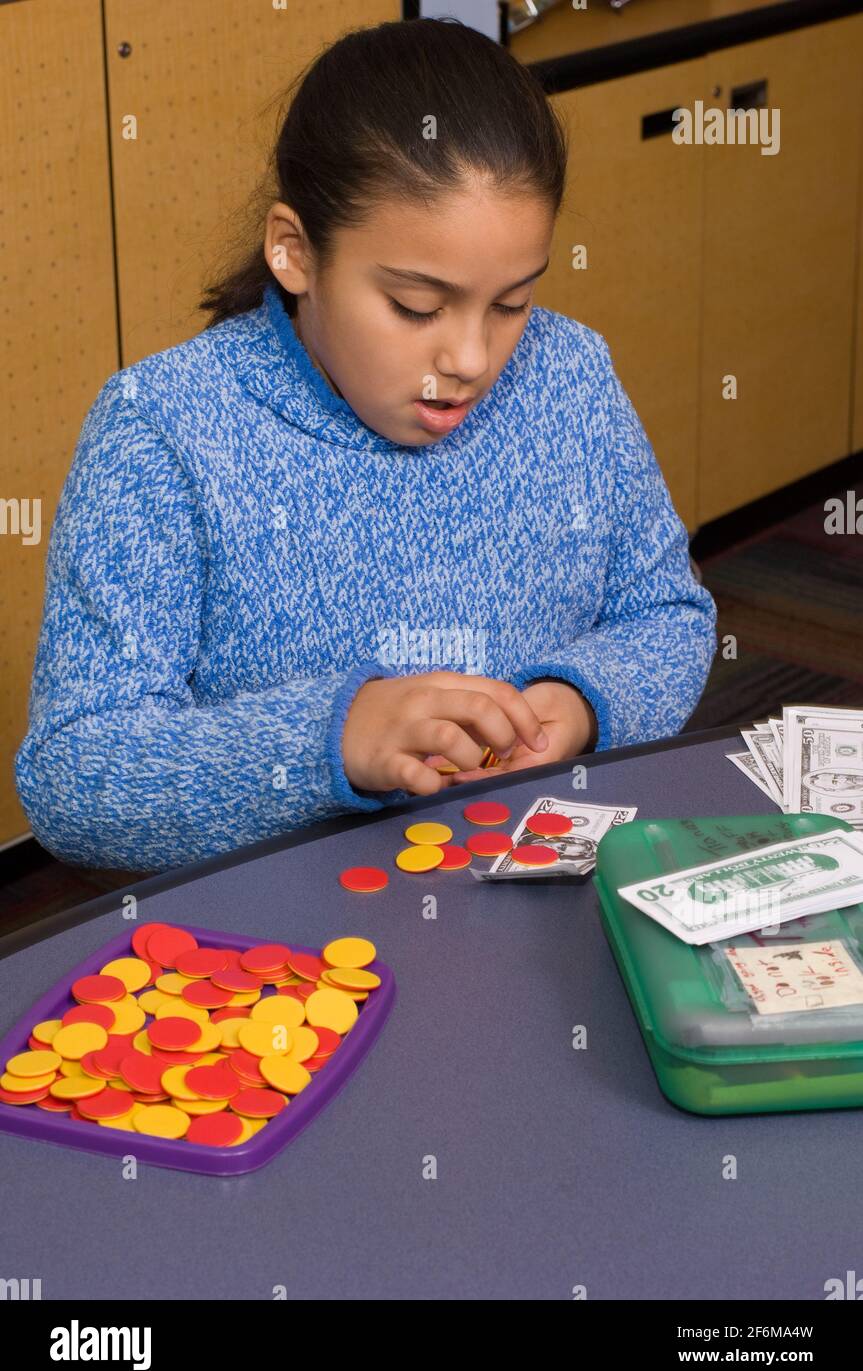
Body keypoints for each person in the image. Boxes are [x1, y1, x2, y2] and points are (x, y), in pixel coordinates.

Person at [15, 18, 717, 873]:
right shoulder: (164, 429)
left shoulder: (570, 371)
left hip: (536, 899)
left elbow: (668, 618)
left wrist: (576, 704)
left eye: (511, 303)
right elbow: (77, 778)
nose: (469, 359)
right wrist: (332, 738)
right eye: (417, 307)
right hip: (288, 961)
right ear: (295, 251)